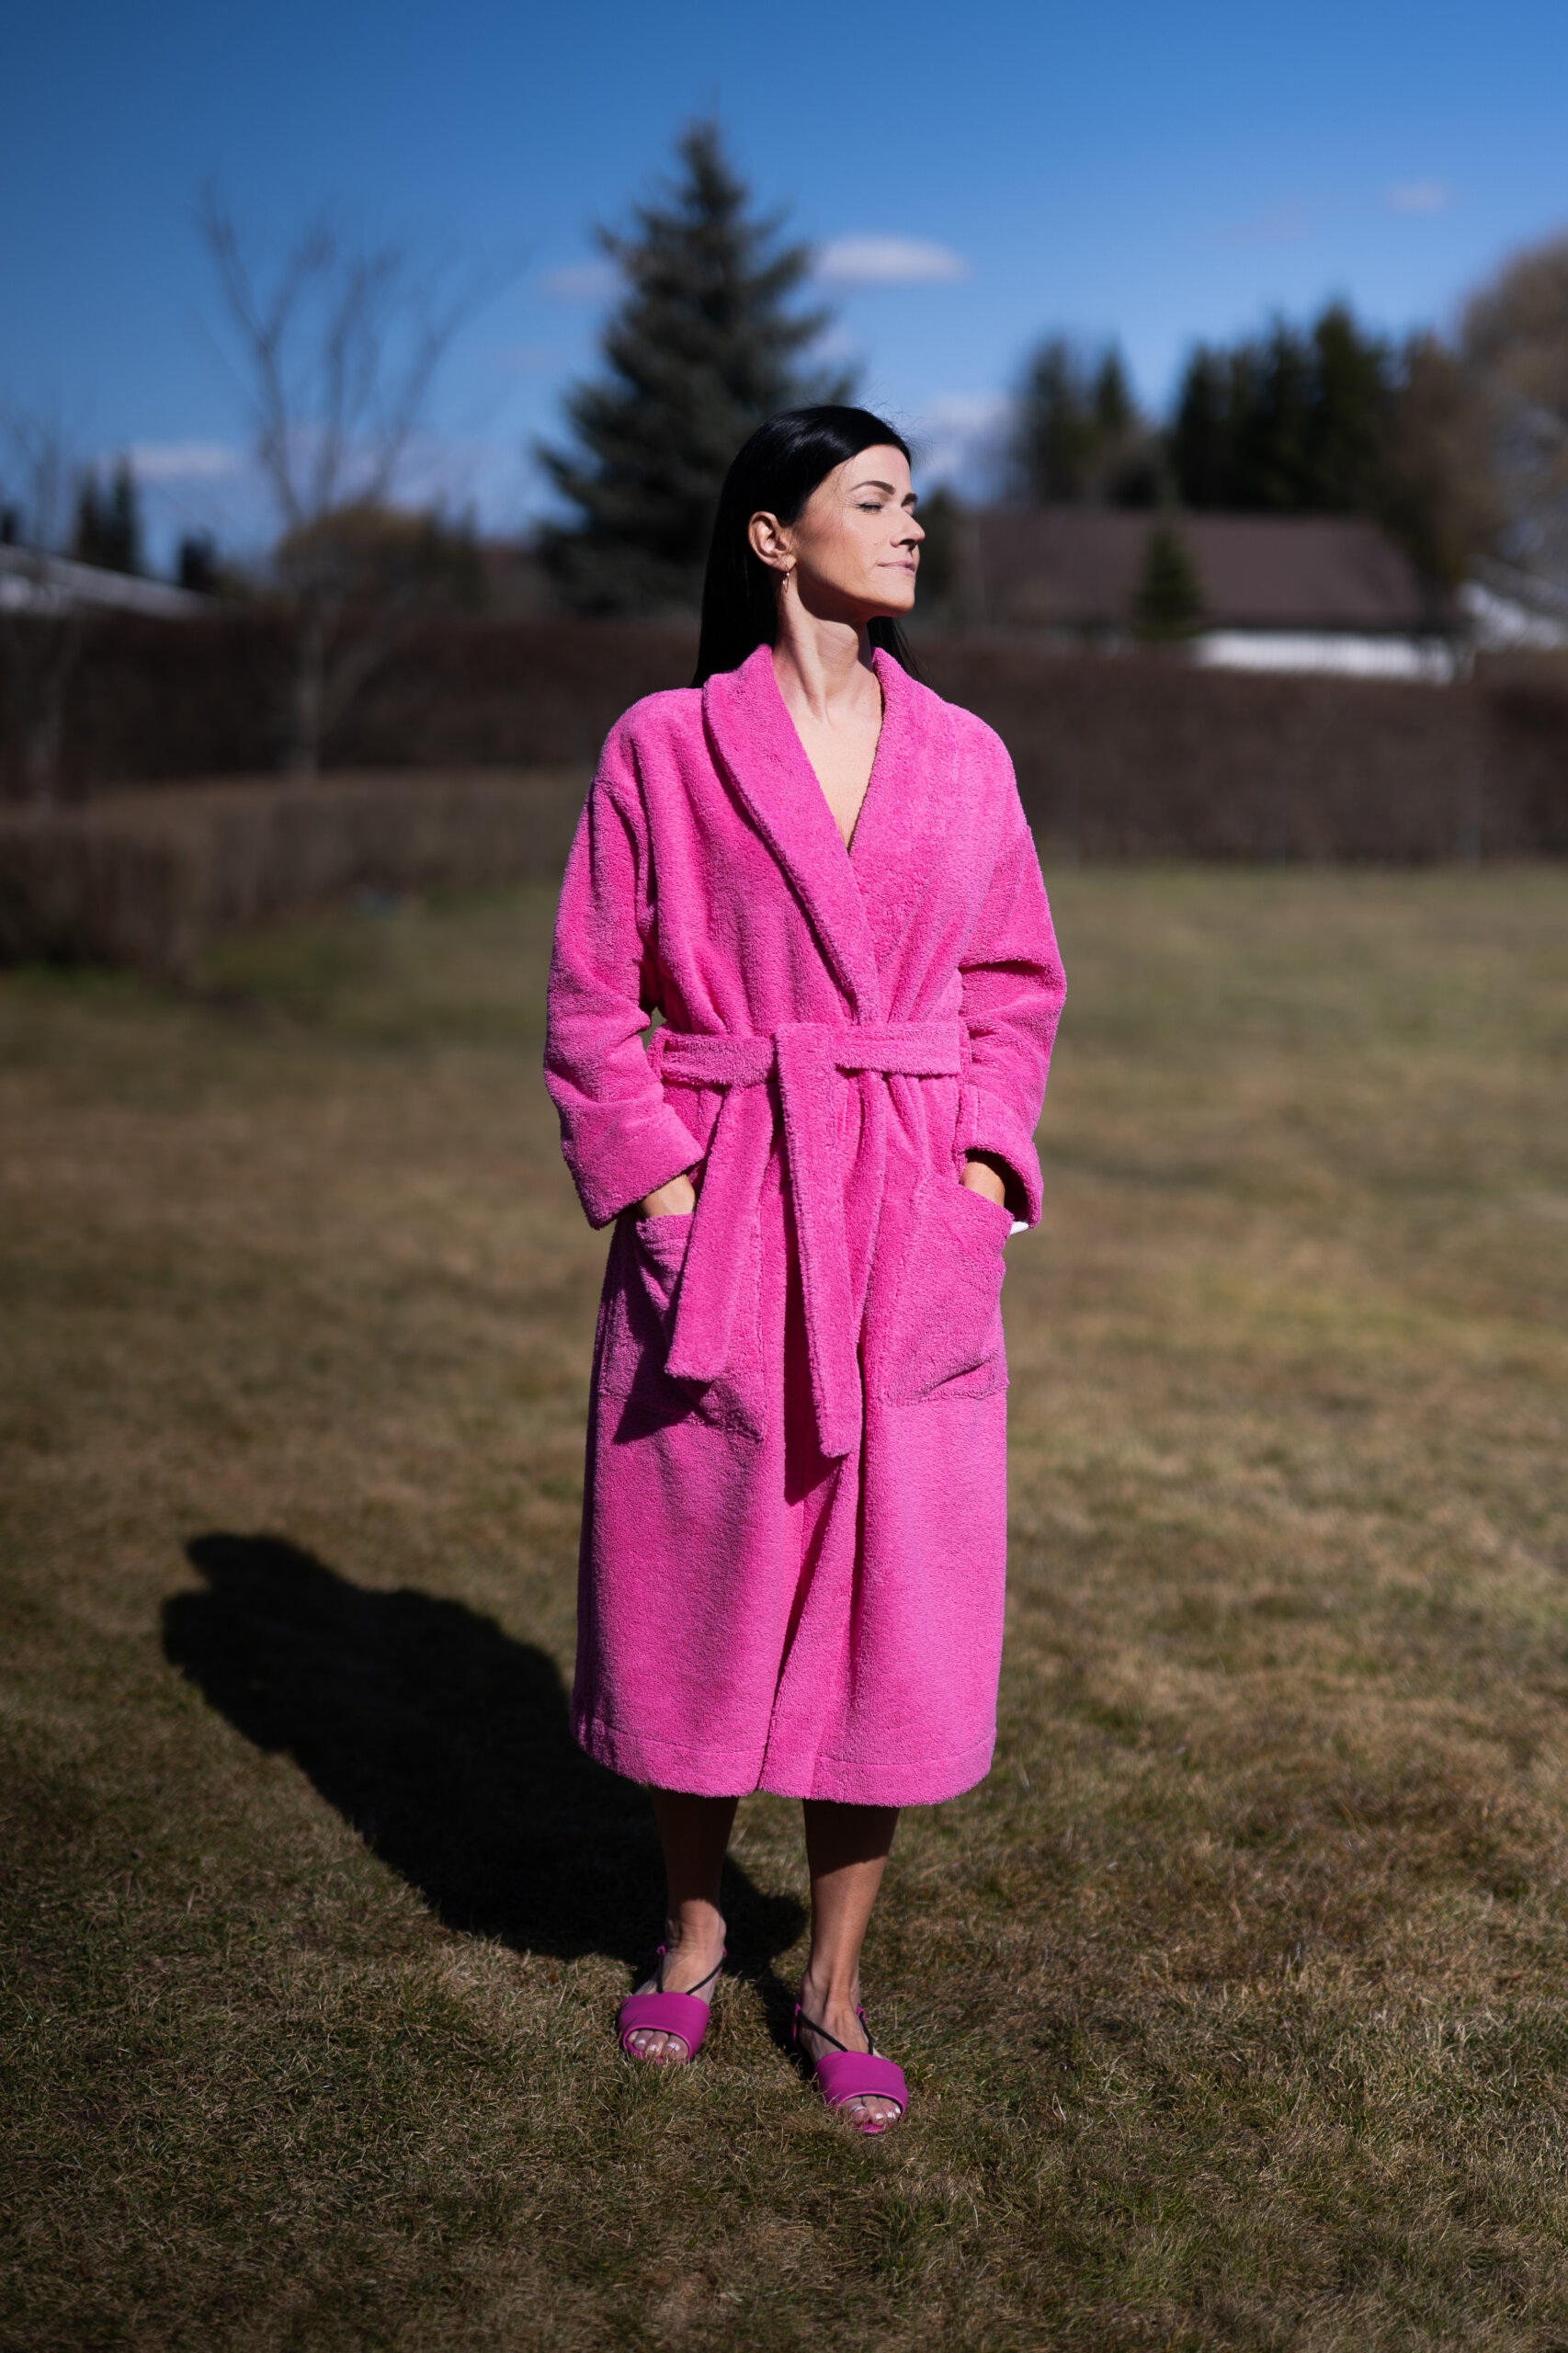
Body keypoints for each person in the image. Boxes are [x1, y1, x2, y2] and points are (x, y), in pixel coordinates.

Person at [544, 407, 1065, 2132]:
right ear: (773, 536)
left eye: (915, 501)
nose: (912, 527)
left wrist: (979, 1173)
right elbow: (591, 999)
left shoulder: (966, 758)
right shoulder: (663, 745)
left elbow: (1013, 987)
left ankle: (834, 1983)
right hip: (729, 1204)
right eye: (873, 499)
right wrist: (661, 1193)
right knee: (694, 1577)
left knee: (891, 1600)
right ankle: (696, 1933)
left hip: (906, 1207)